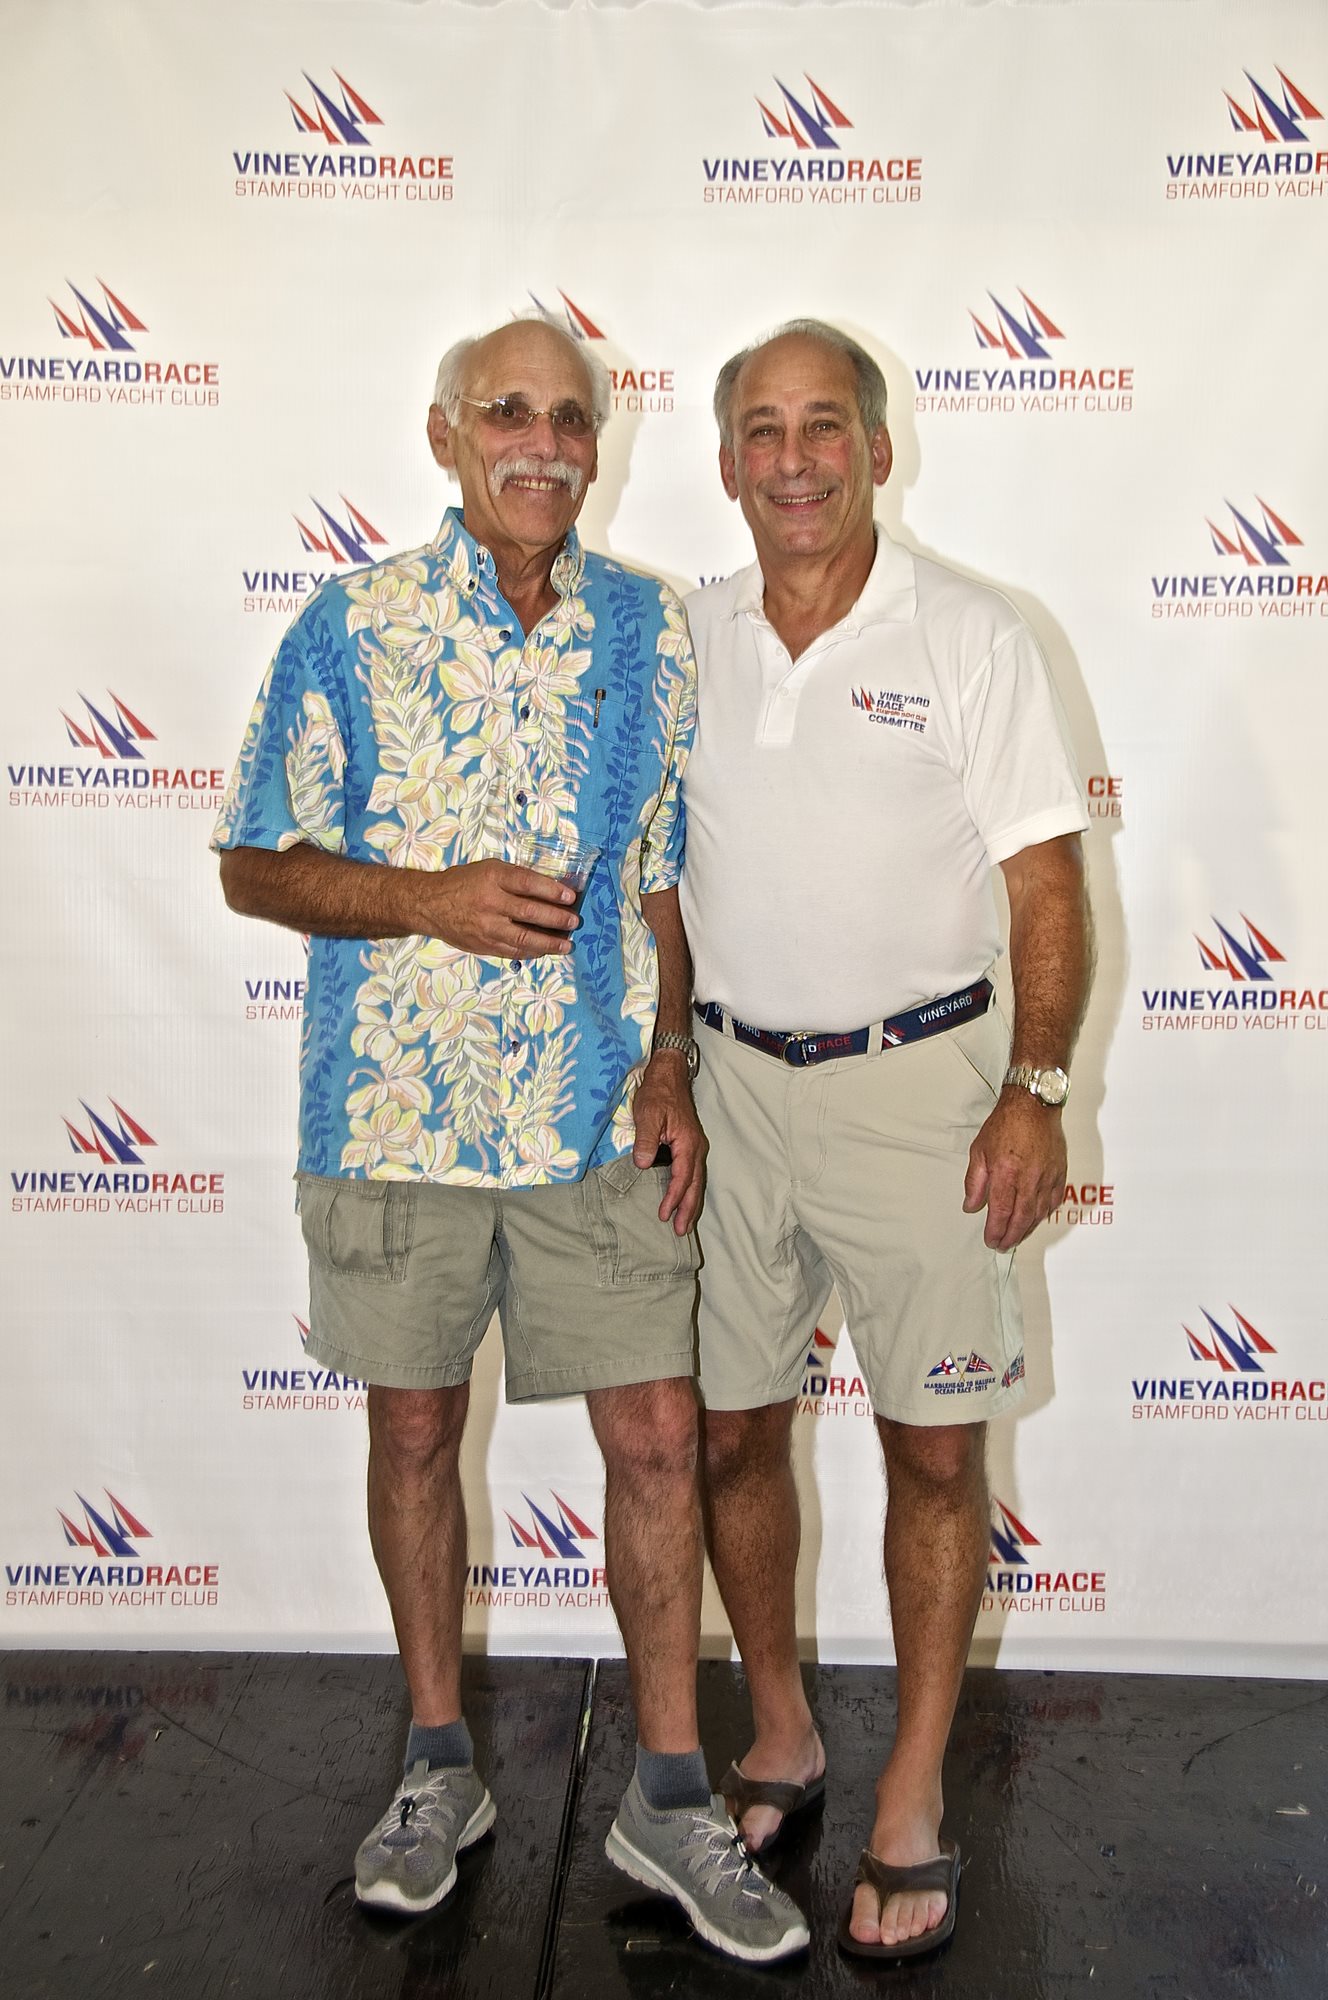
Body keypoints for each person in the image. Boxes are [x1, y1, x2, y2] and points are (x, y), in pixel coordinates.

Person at [214, 315, 808, 1963]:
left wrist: (672, 1062)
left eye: (567, 417)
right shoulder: (348, 627)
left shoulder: (648, 631)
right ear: (445, 436)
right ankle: (434, 1769)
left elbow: (662, 880)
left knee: (662, 1443)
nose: (540, 442)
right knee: (415, 1437)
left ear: (597, 445)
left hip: (599, 1119)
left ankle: (671, 1794)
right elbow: (252, 861)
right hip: (390, 1122)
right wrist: (426, 900)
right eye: (506, 413)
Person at [679, 319, 1093, 1959]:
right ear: (727, 462)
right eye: (765, 431)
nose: (795, 460)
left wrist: (1036, 1086)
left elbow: (1045, 884)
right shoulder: (688, 637)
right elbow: (658, 882)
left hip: (925, 1097)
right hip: (730, 1097)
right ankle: (782, 1732)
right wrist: (664, 1061)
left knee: (932, 1451)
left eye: (824, 426)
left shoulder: (973, 636)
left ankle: (913, 1788)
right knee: (728, 1437)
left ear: (877, 448)